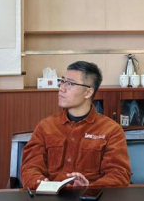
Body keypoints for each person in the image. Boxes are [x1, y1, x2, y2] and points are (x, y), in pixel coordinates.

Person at [21, 61, 131, 189]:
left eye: (69, 84)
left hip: (91, 196)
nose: (61, 88)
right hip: (50, 196)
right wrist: (44, 185)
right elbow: (29, 168)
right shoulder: (46, 126)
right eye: (62, 82)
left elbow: (119, 175)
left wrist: (89, 187)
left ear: (88, 92)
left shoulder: (111, 130)